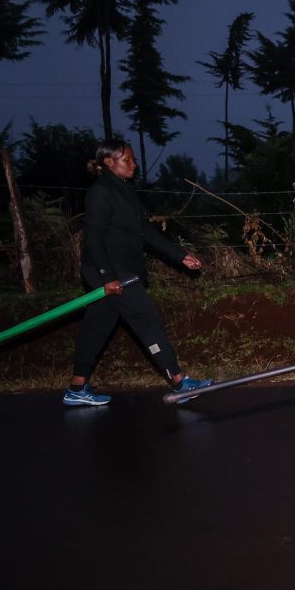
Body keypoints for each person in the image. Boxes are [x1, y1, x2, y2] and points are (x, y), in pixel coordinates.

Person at [62, 140, 212, 407]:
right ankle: (180, 383)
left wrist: (180, 256)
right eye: (127, 159)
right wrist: (107, 277)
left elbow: (146, 233)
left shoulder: (124, 190)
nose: (134, 164)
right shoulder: (101, 192)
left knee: (97, 328)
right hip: (109, 271)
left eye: (132, 159)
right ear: (109, 162)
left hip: (122, 270)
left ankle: (77, 388)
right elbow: (93, 239)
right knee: (147, 320)